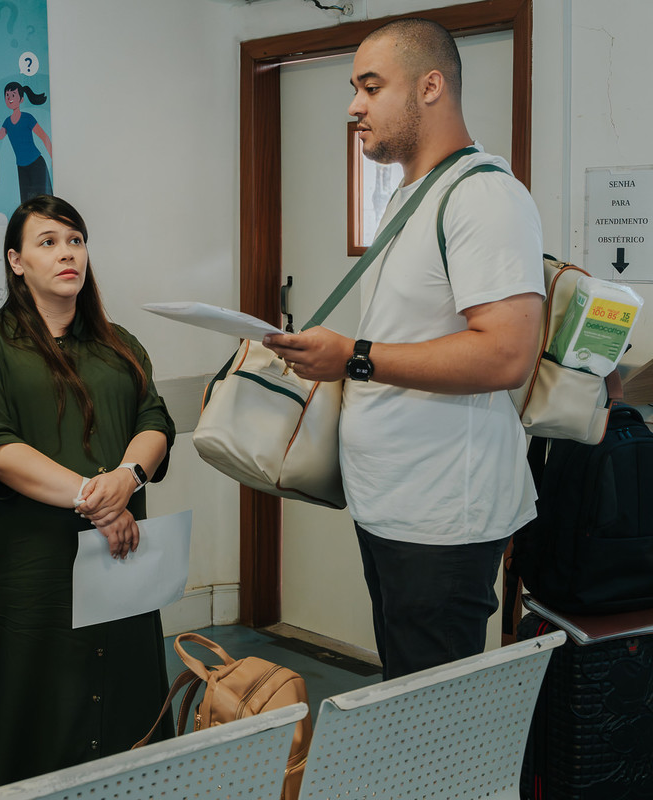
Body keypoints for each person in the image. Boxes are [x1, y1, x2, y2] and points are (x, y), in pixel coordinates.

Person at [264, 18, 545, 680]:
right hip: (392, 506)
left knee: (432, 718)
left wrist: (354, 357)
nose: (354, 106)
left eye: (371, 87)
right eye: (354, 88)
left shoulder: (484, 197)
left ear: (430, 86)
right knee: (406, 694)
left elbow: (506, 356)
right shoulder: (410, 194)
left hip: (442, 518)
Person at [0, 194, 175, 796]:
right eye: (47, 242)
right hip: (28, 570)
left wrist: (126, 478)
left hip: (117, 563)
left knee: (123, 701)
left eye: (75, 240)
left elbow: (155, 421)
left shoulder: (120, 345)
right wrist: (94, 498)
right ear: (16, 261)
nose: (66, 253)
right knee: (29, 712)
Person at [0, 81, 53, 203]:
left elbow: (44, 137)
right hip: (21, 167)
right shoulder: (7, 122)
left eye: (13, 95)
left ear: (21, 99)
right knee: (26, 203)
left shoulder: (27, 118)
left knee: (43, 201)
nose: (10, 98)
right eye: (7, 95)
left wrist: (53, 160)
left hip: (36, 164)